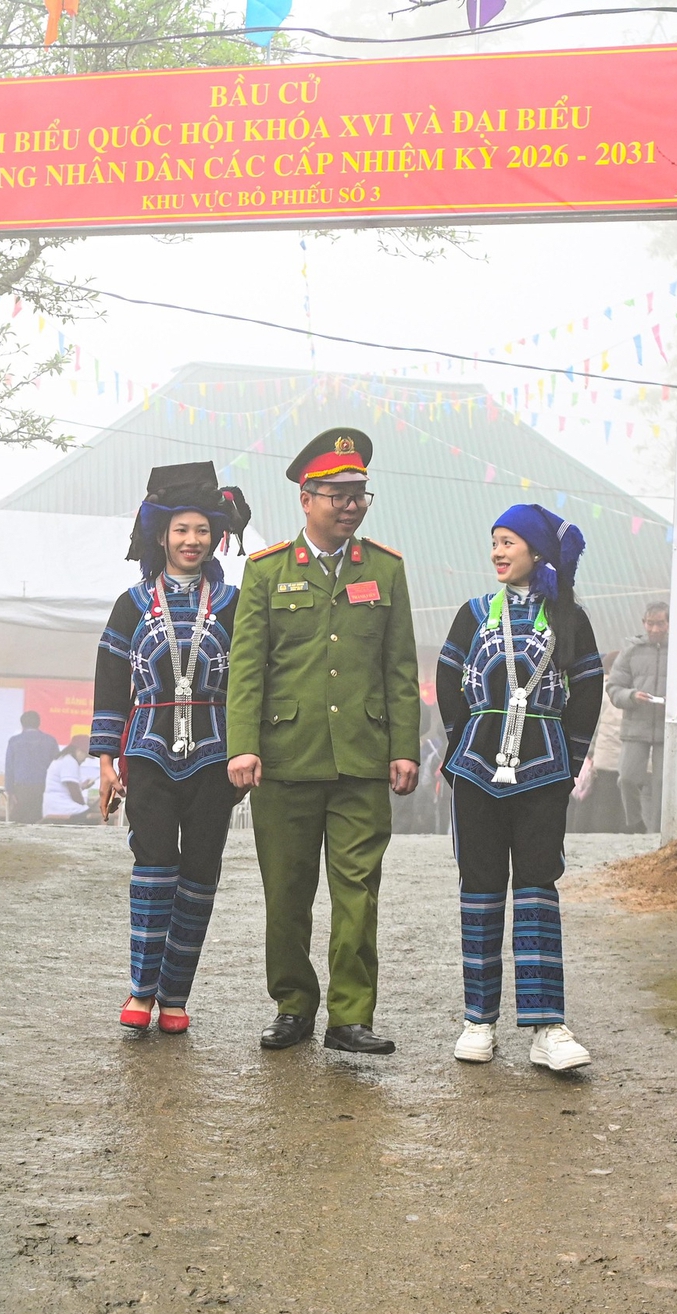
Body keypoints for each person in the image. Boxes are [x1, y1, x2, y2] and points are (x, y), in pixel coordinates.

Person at [227, 428, 420, 1055]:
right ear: (306, 499)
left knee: (357, 893)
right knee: (286, 892)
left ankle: (350, 1016)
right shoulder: (266, 572)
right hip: (284, 759)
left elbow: (400, 667)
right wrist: (242, 746)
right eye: (337, 494)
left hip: (361, 759)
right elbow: (247, 667)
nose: (350, 506)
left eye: (359, 495)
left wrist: (405, 746)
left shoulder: (385, 570)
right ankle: (292, 1005)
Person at [438, 504, 604, 1070]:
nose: (499, 552)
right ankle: (478, 1020)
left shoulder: (569, 619)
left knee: (537, 889)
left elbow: (588, 691)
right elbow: (447, 678)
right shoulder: (475, 613)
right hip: (477, 772)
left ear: (537, 552)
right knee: (480, 889)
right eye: (494, 542)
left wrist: (570, 760)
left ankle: (547, 1026)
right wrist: (468, 741)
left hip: (543, 772)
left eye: (509, 542)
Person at [90, 462, 252, 1034]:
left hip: (215, 756)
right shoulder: (131, 604)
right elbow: (111, 684)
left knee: (200, 872)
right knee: (154, 865)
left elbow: (252, 681)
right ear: (161, 536)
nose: (192, 541)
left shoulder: (234, 603)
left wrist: (249, 750)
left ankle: (177, 996)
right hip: (149, 753)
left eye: (203, 531)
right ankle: (141, 989)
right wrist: (108, 762)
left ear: (217, 538)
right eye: (181, 530)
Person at [609, 600, 669, 835]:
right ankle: (636, 823)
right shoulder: (631, 651)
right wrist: (632, 696)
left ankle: (660, 831)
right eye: (651, 624)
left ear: (669, 623)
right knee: (627, 778)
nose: (655, 629)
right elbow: (614, 687)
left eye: (660, 623)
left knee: (664, 784)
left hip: (668, 727)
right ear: (644, 623)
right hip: (636, 724)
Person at [567, 660, 626, 833]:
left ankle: (595, 833)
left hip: (603, 756)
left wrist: (588, 752)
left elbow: (591, 725)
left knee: (599, 801)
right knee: (618, 802)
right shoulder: (626, 692)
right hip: (624, 756)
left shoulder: (599, 691)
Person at [3, 711, 58, 823]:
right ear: (39, 723)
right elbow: (55, 767)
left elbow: (9, 768)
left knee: (18, 821)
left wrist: (10, 790)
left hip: (21, 788)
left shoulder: (14, 741)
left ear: (22, 724)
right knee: (38, 819)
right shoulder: (50, 741)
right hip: (43, 787)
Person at [42, 734, 98, 823]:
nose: (84, 760)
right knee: (95, 817)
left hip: (54, 806)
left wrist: (82, 786)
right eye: (85, 756)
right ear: (79, 751)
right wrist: (85, 807)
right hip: (62, 807)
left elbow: (66, 787)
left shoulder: (63, 759)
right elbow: (74, 791)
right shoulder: (69, 761)